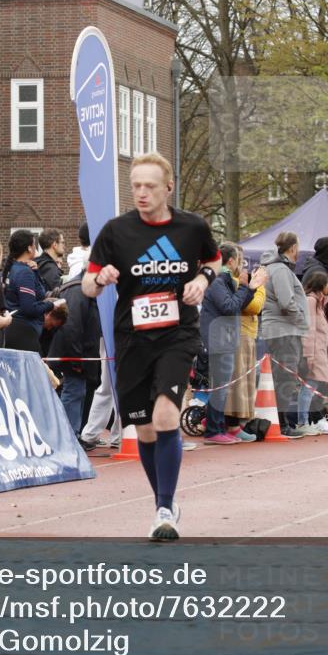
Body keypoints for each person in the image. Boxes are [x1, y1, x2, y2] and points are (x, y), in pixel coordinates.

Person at [83, 152, 221, 541]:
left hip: (178, 335)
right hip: (132, 338)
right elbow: (87, 286)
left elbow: (215, 260)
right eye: (135, 186)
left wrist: (203, 280)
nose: (141, 193)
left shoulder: (191, 227)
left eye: (149, 186)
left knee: (165, 417)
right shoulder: (115, 231)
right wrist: (102, 278)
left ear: (168, 188)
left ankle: (165, 507)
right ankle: (164, 501)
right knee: (143, 430)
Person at [200, 242, 268, 445]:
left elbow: (236, 305)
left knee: (223, 387)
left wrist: (250, 289)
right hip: (219, 340)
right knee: (220, 387)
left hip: (225, 338)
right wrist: (249, 287)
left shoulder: (225, 280)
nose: (241, 264)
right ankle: (213, 430)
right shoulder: (218, 281)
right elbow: (230, 307)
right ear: (230, 261)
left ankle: (219, 427)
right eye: (239, 260)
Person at [260, 231, 310, 437]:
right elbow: (286, 301)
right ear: (292, 248)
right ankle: (281, 423)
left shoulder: (277, 268)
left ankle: (280, 421)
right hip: (284, 330)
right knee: (285, 378)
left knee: (284, 377)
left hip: (283, 329)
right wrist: (301, 320)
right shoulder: (280, 270)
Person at [48, 272, 101, 436]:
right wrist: (76, 361)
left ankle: (71, 434)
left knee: (76, 392)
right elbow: (72, 326)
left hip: (78, 353)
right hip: (76, 354)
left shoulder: (78, 289)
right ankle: (68, 435)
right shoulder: (78, 291)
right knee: (74, 392)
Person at [223, 246, 266, 437]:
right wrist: (259, 287)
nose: (243, 264)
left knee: (245, 381)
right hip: (238, 333)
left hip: (247, 333)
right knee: (237, 382)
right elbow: (254, 306)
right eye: (239, 259)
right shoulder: (230, 280)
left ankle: (237, 423)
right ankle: (232, 425)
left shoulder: (237, 280)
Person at [296, 271, 328, 435]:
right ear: (322, 285)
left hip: (319, 350)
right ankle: (303, 422)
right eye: (327, 284)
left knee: (313, 387)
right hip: (313, 352)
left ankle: (308, 420)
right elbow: (309, 330)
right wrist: (309, 355)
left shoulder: (319, 302)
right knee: (308, 387)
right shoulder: (311, 301)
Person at [3, 230, 57, 352]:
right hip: (24, 334)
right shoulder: (24, 272)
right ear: (29, 248)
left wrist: (36, 272)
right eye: (34, 245)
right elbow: (29, 308)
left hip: (13, 330)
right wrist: (51, 305)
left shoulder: (13, 268)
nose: (36, 248)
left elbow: (40, 292)